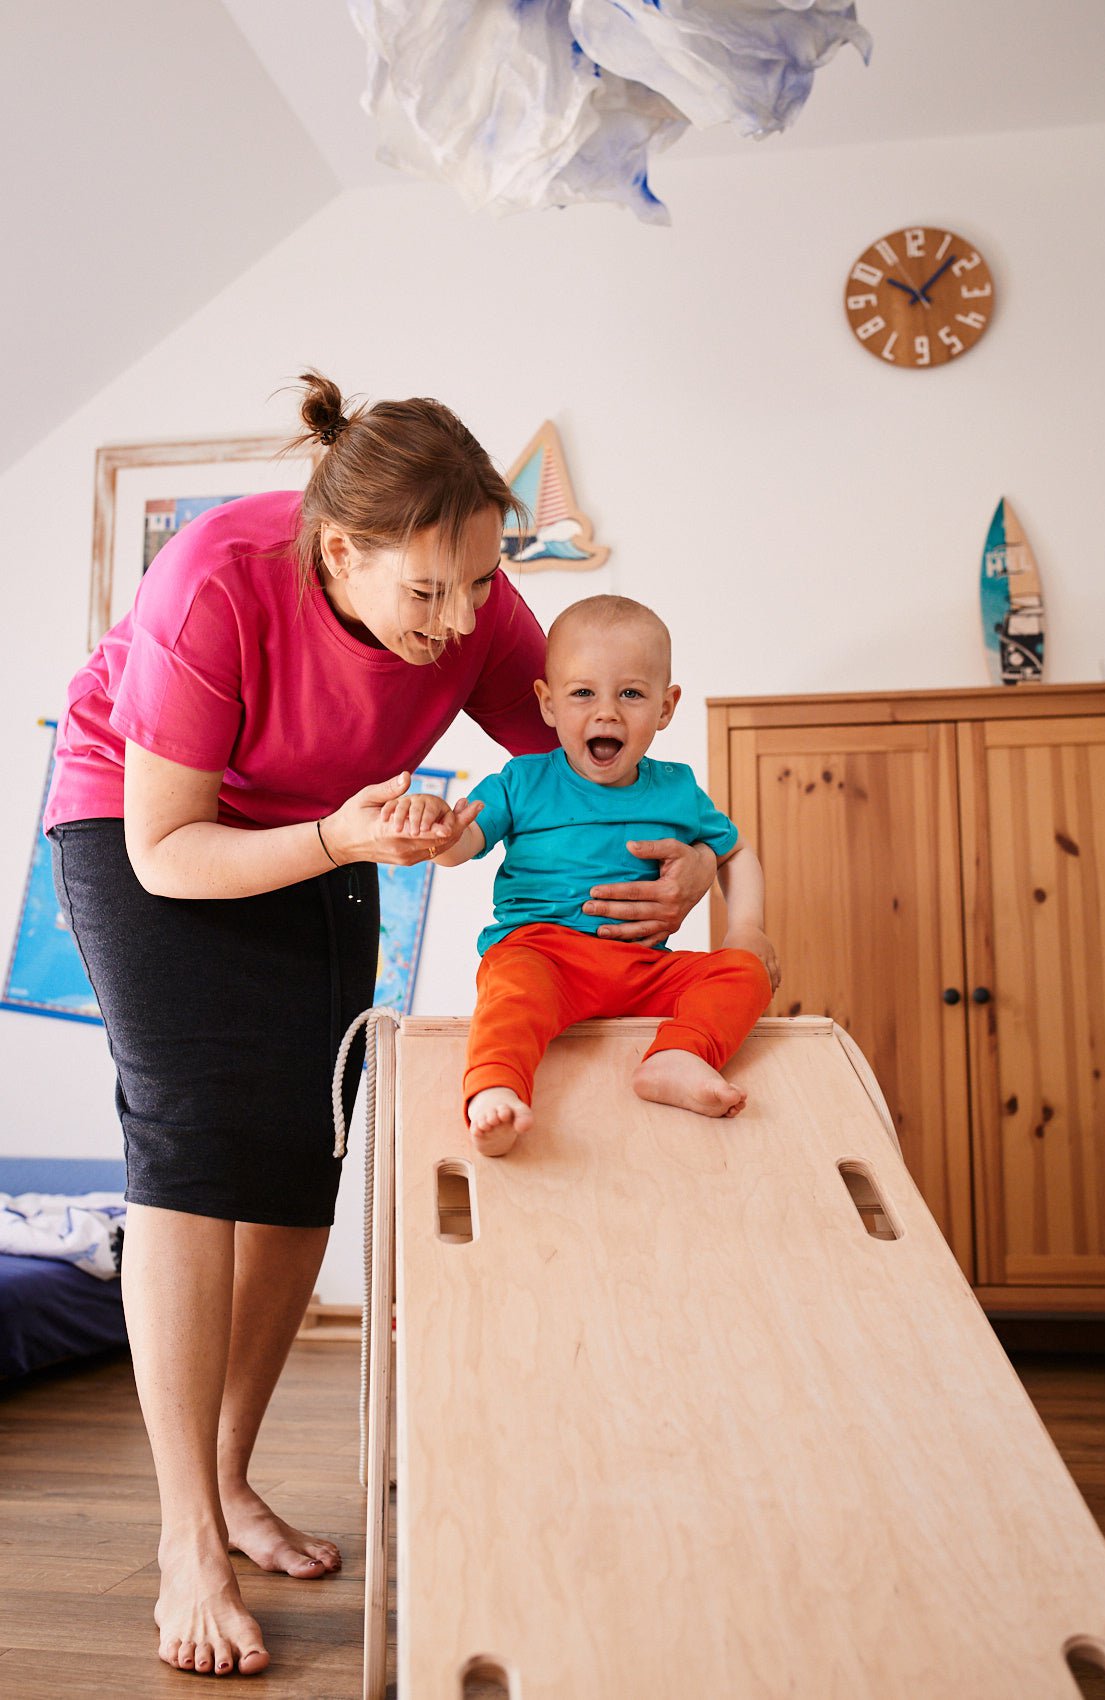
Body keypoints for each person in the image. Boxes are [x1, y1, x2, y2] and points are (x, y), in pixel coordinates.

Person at [44, 379, 718, 1678]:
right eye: (430, 596)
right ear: (339, 550)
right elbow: (170, 851)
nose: (463, 623)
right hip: (153, 830)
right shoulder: (218, 580)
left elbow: (593, 762)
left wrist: (688, 857)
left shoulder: (469, 593)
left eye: (480, 585)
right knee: (193, 1145)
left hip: (328, 831)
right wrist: (330, 836)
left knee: (305, 1153)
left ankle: (233, 1481)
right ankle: (188, 1535)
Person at [427, 593, 782, 1156]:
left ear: (666, 708)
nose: (607, 712)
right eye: (583, 693)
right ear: (547, 703)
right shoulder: (523, 781)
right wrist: (443, 836)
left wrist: (747, 927)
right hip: (541, 953)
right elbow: (461, 843)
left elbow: (736, 853)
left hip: (644, 967)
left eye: (632, 694)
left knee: (743, 972)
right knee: (511, 993)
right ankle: (494, 1088)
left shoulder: (678, 789)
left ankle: (677, 1056)